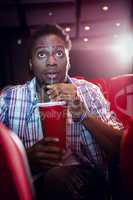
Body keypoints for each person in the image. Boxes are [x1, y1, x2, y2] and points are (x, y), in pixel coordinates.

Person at [0, 24, 124, 200]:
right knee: (55, 178)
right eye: (42, 54)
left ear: (68, 61)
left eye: (59, 53)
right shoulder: (8, 98)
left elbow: (122, 148)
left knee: (63, 179)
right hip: (31, 185)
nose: (51, 62)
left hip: (88, 181)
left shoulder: (90, 91)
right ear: (30, 63)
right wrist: (24, 159)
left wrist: (83, 114)